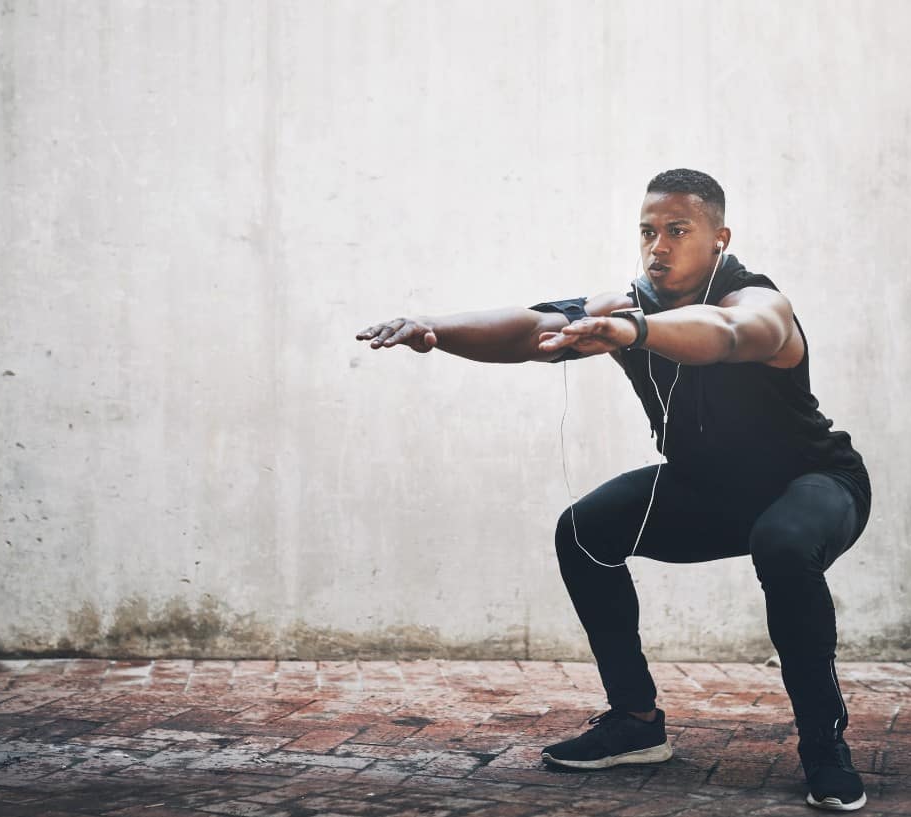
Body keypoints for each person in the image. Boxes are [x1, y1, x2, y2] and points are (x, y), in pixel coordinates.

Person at [355, 168, 871, 812]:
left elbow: (734, 336)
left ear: (719, 238)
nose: (658, 247)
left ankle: (824, 746)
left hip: (814, 483)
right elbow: (533, 327)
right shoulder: (629, 303)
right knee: (584, 531)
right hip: (709, 491)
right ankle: (635, 721)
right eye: (648, 232)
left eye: (677, 231)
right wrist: (435, 328)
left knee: (784, 542)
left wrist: (637, 332)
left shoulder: (758, 301)